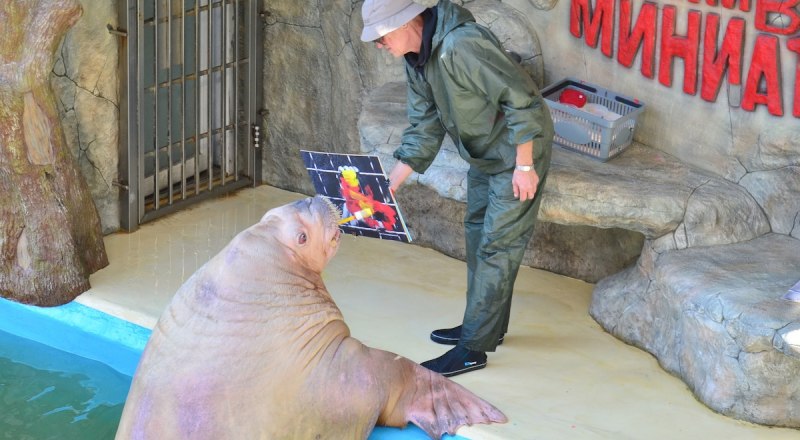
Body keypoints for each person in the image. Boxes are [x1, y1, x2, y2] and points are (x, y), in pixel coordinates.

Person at [360, 0, 554, 377]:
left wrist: (525, 165)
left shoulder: (461, 46)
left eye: (381, 37)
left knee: (498, 243)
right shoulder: (417, 59)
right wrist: (389, 187)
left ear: (406, 22)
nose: (379, 45)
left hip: (517, 152)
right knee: (477, 234)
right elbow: (423, 128)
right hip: (484, 152)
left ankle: (472, 349)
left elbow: (522, 101)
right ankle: (482, 327)